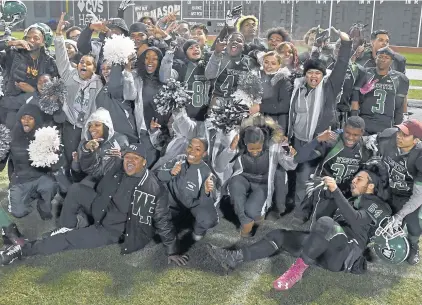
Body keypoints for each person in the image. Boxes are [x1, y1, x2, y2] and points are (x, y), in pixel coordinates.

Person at [208, 164, 391, 290]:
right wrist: (325, 196)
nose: (353, 180)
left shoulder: (377, 205)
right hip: (323, 250)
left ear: (371, 186)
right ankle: (235, 257)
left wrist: (335, 192)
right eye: (355, 177)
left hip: (342, 255)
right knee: (278, 235)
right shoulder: (350, 199)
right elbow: (319, 222)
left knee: (327, 224)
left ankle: (296, 271)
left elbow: (356, 219)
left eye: (359, 179)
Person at [0, 144, 189, 267]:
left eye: (135, 159)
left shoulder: (151, 188)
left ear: (144, 163)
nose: (129, 161)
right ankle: (66, 225)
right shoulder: (119, 168)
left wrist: (173, 250)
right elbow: (91, 169)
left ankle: (22, 250)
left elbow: (162, 220)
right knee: (76, 190)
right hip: (102, 207)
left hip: (111, 228)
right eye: (127, 157)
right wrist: (88, 151)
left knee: (68, 240)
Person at [289, 28, 352, 213]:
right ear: (305, 74)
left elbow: (342, 64)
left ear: (323, 75)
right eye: (310, 73)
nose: (313, 76)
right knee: (302, 177)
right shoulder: (297, 89)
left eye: (317, 73)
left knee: (323, 178)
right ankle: (301, 212)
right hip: (300, 140)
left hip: (323, 140)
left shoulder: (329, 87)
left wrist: (346, 43)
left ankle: (320, 212)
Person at [214, 115, 297, 237]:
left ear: (264, 142)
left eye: (258, 148)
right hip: (243, 178)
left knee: (252, 211)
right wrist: (230, 149)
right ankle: (245, 223)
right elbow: (219, 167)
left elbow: (291, 166)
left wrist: (288, 152)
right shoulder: (238, 143)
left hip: (262, 182)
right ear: (245, 143)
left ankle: (256, 217)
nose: (255, 151)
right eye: (251, 148)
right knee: (235, 184)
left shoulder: (274, 144)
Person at [365, 119, 422, 264]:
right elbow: (371, 138)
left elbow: (418, 196)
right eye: (399, 131)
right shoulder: (388, 136)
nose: (399, 136)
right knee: (367, 201)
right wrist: (369, 139)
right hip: (386, 187)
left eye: (405, 135)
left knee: (413, 224)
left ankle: (414, 246)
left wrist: (400, 215)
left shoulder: (419, 158)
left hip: (408, 195)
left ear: (416, 141)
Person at [294, 117, 372, 222]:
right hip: (326, 190)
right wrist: (317, 140)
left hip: (347, 192)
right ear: (343, 128)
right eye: (347, 133)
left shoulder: (365, 146)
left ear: (362, 133)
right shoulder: (331, 140)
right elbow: (298, 158)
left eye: (355, 135)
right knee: (321, 223)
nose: (350, 137)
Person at [54, 14, 103, 173]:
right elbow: (62, 58)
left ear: (94, 69)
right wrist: (59, 35)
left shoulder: (100, 83)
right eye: (82, 62)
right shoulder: (69, 76)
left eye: (88, 64)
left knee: (86, 158)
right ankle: (67, 188)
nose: (83, 65)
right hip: (71, 126)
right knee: (70, 157)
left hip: (89, 128)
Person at [156, 138, 218, 241]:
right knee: (159, 231)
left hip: (191, 205)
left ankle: (198, 229)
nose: (191, 151)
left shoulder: (206, 173)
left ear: (204, 154)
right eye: (190, 147)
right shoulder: (179, 159)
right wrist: (170, 172)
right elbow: (159, 175)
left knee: (209, 219)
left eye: (197, 149)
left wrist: (206, 192)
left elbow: (210, 202)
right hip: (172, 203)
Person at [4, 104, 57, 220]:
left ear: (36, 121)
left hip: (40, 177)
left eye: (30, 118)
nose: (26, 121)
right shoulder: (10, 136)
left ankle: (42, 206)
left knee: (51, 185)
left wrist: (53, 153)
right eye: (23, 117)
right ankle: (31, 196)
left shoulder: (44, 136)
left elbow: (54, 165)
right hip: (20, 180)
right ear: (19, 119)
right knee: (18, 213)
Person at [0, 23, 58, 129]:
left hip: (36, 109)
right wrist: (10, 43)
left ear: (44, 41)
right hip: (11, 108)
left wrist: (33, 91)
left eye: (36, 38)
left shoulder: (50, 62)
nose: (31, 40)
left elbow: (52, 94)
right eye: (28, 37)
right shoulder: (13, 54)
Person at [352, 47, 409, 135]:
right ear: (376, 58)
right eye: (380, 56)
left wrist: (399, 125)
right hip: (365, 120)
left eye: (386, 58)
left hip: (386, 123)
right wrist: (354, 120)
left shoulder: (399, 78)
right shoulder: (365, 74)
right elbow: (355, 98)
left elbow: (400, 106)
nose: (383, 59)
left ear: (392, 61)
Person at [160, 39, 210, 121]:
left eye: (197, 47)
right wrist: (169, 54)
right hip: (186, 118)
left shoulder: (208, 66)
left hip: (206, 118)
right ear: (185, 53)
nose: (195, 49)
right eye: (191, 48)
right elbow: (165, 78)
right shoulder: (181, 66)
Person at [74, 107, 128, 183]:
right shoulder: (85, 143)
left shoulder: (120, 140)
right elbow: (81, 171)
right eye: (90, 126)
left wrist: (120, 159)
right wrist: (87, 152)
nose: (92, 129)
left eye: (97, 125)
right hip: (93, 181)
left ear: (106, 126)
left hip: (115, 181)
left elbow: (127, 167)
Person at [205, 32, 256, 106]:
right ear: (226, 44)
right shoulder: (218, 56)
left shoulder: (249, 62)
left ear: (243, 47)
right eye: (231, 40)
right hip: (219, 103)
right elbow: (209, 75)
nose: (234, 42)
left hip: (240, 104)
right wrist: (216, 53)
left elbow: (255, 87)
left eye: (239, 41)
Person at [95, 60, 138, 143]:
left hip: (126, 135)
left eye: (109, 68)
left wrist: (117, 57)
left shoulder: (122, 85)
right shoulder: (100, 92)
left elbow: (115, 83)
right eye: (103, 69)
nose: (105, 71)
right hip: (107, 136)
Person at [252, 51, 292, 133]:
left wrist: (260, 107)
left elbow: (284, 106)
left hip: (275, 124)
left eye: (273, 63)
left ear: (279, 65)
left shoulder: (283, 80)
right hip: (257, 122)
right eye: (266, 62)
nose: (269, 66)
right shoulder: (257, 76)